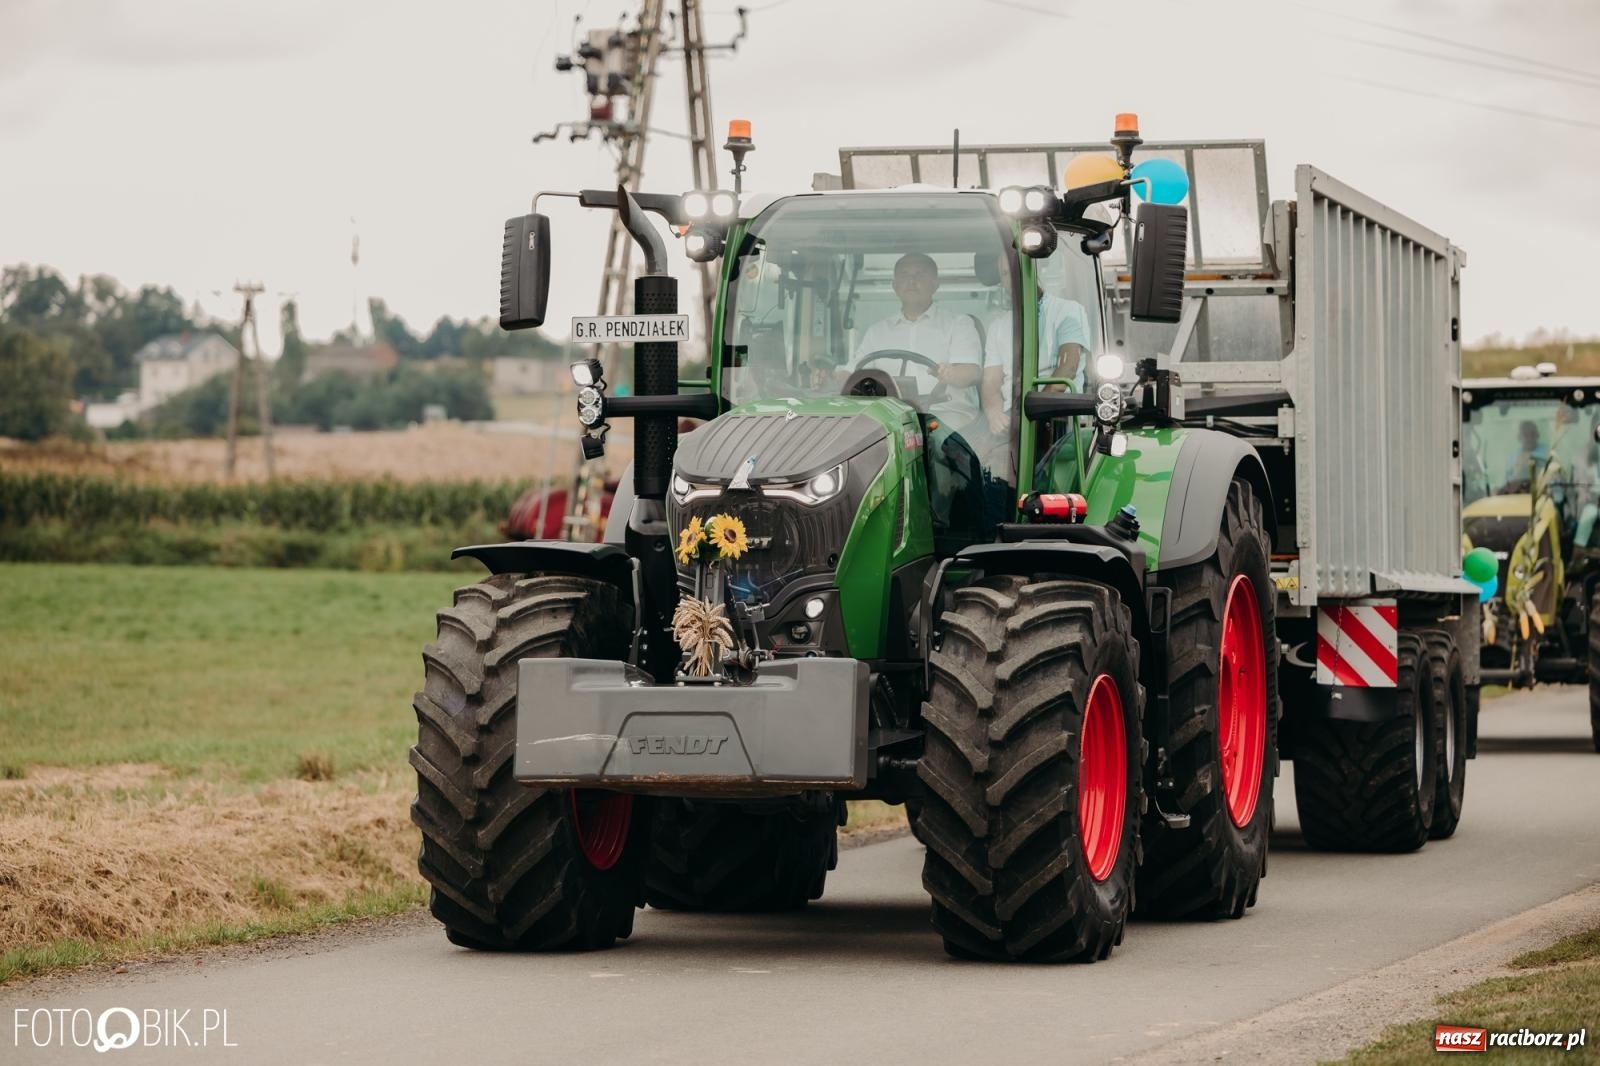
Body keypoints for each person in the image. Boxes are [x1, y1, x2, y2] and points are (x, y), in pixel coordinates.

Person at [848, 253, 983, 412]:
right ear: (895, 286)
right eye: (904, 275)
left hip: (947, 415)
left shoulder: (959, 324)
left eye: (920, 275)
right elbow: (851, 374)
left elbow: (972, 373)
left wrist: (951, 374)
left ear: (935, 284)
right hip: (890, 418)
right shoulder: (876, 332)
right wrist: (827, 379)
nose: (911, 282)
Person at [980, 288, 1092, 435]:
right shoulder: (998, 326)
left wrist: (1035, 411)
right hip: (1012, 419)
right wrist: (994, 414)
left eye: (1010, 272)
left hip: (1060, 416)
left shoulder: (1068, 310)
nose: (1009, 279)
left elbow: (1067, 370)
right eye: (1004, 273)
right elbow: (991, 381)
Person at [1504, 420, 1548, 490]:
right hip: (1519, 492)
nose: (1529, 438)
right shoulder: (1512, 457)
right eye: (1525, 435)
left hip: (1544, 490)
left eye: (1532, 434)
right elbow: (1507, 481)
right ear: (1519, 437)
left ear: (1537, 435)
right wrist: (1519, 468)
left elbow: (1556, 475)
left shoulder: (1548, 452)